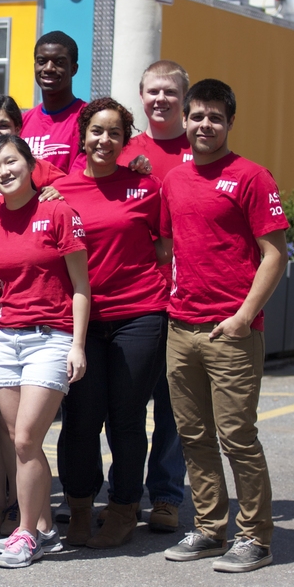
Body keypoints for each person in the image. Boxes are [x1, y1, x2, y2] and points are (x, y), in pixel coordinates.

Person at [160, 79, 288, 573]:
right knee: (193, 436)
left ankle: (255, 536)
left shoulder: (252, 177)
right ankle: (211, 529)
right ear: (185, 121)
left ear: (230, 122)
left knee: (237, 437)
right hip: (181, 326)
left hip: (230, 331)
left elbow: (275, 255)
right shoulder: (175, 179)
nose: (205, 125)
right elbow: (169, 248)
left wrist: (241, 318)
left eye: (215, 117)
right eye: (197, 116)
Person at [50, 98, 168, 549]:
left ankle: (122, 508)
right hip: (80, 322)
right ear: (83, 134)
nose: (104, 140)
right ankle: (80, 508)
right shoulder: (60, 190)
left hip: (138, 315)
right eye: (96, 131)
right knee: (80, 419)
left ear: (125, 139)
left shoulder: (145, 186)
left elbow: (165, 247)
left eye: (114, 133)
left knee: (127, 417)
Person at [0, 134, 89, 569]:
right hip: (8, 338)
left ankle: (25, 533)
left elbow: (81, 285)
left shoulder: (58, 210)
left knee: (25, 438)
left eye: (12, 162)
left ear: (30, 163)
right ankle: (42, 527)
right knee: (21, 442)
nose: (4, 172)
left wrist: (77, 345)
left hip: (53, 336)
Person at [0, 94, 66, 537]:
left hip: (28, 303)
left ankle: (26, 510)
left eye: (5, 125)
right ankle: (0, 500)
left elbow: (76, 189)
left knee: (22, 423)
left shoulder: (36, 171)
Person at [108, 59, 193, 533]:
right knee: (126, 407)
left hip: (184, 300)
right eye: (152, 92)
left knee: (172, 406)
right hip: (136, 300)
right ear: (141, 96)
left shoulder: (198, 146)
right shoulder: (124, 149)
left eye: (170, 92)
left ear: (184, 98)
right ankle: (123, 493)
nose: (160, 100)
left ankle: (164, 494)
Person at [20, 31, 87, 174]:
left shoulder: (88, 118)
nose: (49, 68)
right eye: (42, 61)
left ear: (73, 69)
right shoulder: (21, 122)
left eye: (59, 62)